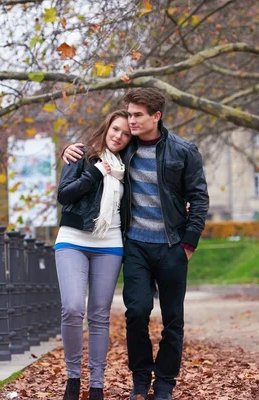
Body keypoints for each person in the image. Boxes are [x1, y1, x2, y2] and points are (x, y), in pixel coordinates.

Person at [62, 88, 209, 400]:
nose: (130, 122)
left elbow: (198, 198)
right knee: (137, 313)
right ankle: (141, 381)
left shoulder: (183, 151)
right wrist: (67, 150)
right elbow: (95, 152)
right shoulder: (123, 151)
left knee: (173, 320)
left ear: (156, 116)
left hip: (172, 246)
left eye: (137, 115)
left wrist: (189, 244)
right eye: (128, 115)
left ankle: (165, 384)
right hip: (135, 246)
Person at [55, 110, 132, 400]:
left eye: (125, 134)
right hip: (72, 240)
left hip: (110, 244)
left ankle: (97, 384)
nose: (119, 136)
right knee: (73, 307)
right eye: (115, 129)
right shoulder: (81, 155)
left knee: (99, 315)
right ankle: (73, 378)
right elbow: (64, 195)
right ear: (106, 127)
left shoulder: (129, 166)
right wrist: (95, 173)